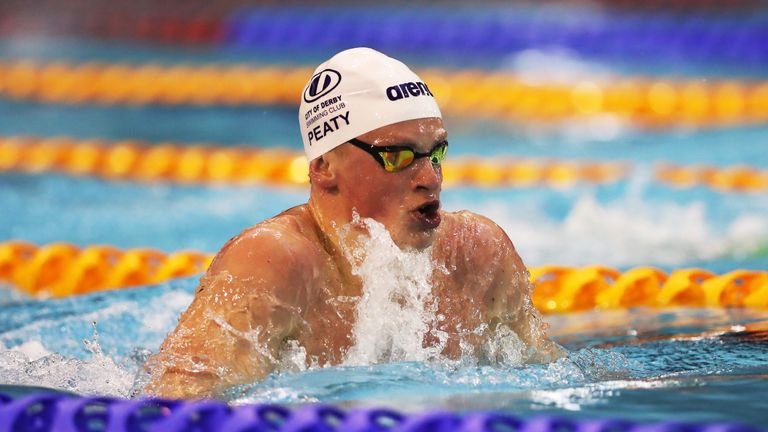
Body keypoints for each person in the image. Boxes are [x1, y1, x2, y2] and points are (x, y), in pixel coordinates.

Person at [144, 47, 565, 399]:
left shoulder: (477, 253)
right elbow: (176, 404)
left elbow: (551, 379)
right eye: (397, 156)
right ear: (325, 166)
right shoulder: (274, 262)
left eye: (436, 152)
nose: (430, 178)